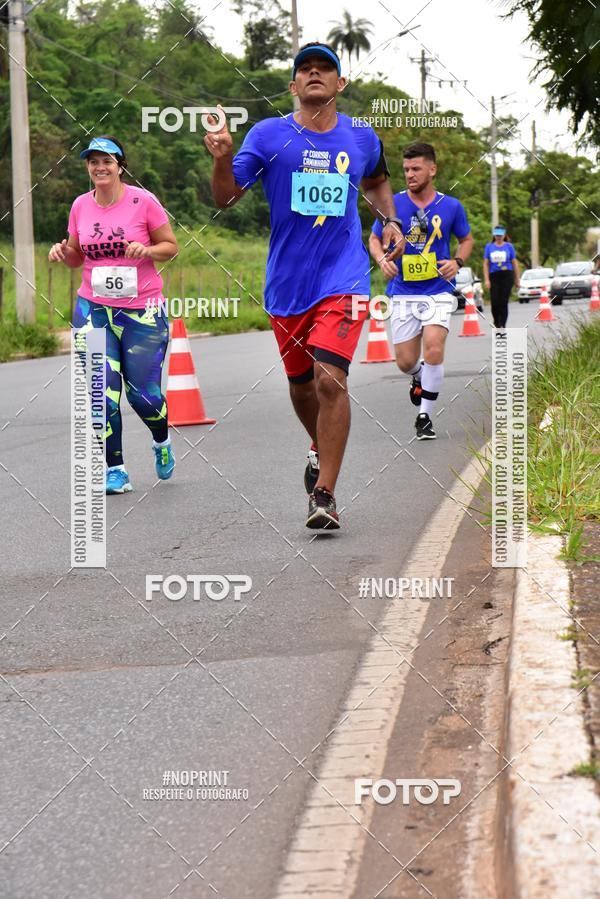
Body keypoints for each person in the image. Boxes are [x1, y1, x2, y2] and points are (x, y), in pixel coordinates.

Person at [204, 42, 403, 529]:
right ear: (293, 87)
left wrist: (389, 219)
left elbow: (377, 182)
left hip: (345, 274)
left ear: (339, 84)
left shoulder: (360, 135)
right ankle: (317, 444)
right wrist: (223, 158)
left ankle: (325, 494)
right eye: (305, 70)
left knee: (330, 379)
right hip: (287, 284)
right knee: (301, 387)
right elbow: (227, 198)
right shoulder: (270, 135)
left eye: (325, 70)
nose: (315, 75)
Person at [48, 136, 179, 494]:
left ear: (120, 165)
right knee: (100, 394)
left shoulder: (143, 201)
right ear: (88, 168)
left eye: (107, 160)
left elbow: (171, 247)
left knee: (144, 396)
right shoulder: (80, 206)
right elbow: (77, 254)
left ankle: (161, 440)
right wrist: (63, 252)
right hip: (93, 309)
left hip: (142, 311)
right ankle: (116, 469)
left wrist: (147, 248)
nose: (100, 167)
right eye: (93, 162)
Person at [368, 142, 473, 440]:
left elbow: (466, 239)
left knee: (435, 348)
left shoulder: (451, 206)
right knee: (404, 362)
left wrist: (457, 261)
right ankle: (417, 376)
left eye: (416, 169)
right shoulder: (394, 205)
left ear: (432, 169)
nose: (410, 175)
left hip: (438, 291)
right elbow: (375, 239)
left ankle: (424, 416)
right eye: (405, 170)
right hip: (403, 292)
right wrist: (380, 259)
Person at [483, 225, 520, 327]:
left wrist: (517, 280)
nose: (498, 237)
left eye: (500, 235)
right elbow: (486, 264)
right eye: (497, 235)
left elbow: (514, 263)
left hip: (507, 275)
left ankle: (502, 324)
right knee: (495, 301)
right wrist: (486, 280)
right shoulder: (489, 247)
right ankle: (496, 321)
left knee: (503, 301)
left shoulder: (509, 246)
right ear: (494, 235)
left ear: (504, 235)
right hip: (494, 276)